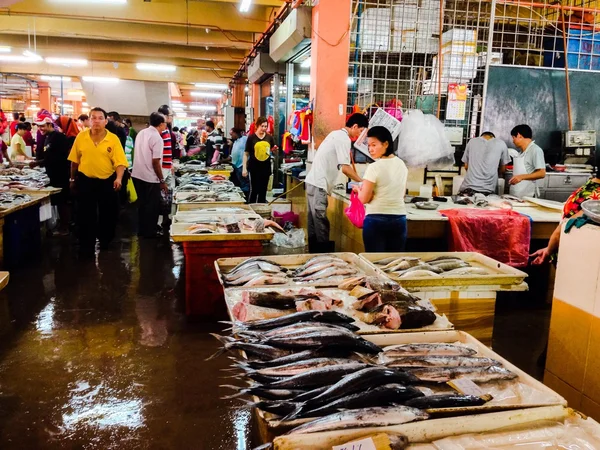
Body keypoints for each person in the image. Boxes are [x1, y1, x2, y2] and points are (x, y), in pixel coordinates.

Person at [68, 107, 128, 257]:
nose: (96, 121)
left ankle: (105, 241)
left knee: (108, 213)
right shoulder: (81, 137)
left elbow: (120, 162)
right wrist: (72, 178)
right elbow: (74, 161)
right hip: (85, 181)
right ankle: (86, 245)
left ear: (106, 121)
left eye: (100, 118)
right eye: (93, 118)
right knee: (84, 214)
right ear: (88, 121)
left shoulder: (113, 139)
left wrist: (119, 178)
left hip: (106, 181)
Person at [304, 113, 368, 252]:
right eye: (360, 131)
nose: (359, 135)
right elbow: (345, 168)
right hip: (318, 184)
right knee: (320, 223)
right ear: (355, 126)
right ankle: (323, 259)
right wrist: (363, 181)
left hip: (311, 183)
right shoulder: (343, 138)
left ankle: (313, 256)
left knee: (313, 223)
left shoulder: (336, 134)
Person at [530, 165, 600, 265]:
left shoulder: (587, 187)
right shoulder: (596, 198)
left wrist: (549, 249)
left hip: (566, 252)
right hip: (573, 259)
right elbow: (564, 226)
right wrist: (549, 249)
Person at [354, 126, 409, 252]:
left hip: (376, 220)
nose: (370, 149)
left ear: (386, 144)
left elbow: (363, 199)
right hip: (399, 219)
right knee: (394, 263)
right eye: (369, 146)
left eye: (374, 145)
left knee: (375, 263)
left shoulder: (374, 167)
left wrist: (358, 190)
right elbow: (402, 195)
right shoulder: (402, 165)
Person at [31, 116, 72, 235]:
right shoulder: (48, 137)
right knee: (58, 201)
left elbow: (58, 157)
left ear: (50, 125)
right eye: (38, 126)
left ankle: (65, 228)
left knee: (62, 201)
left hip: (61, 174)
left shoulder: (59, 137)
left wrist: (39, 162)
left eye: (42, 126)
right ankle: (59, 225)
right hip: (52, 174)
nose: (40, 129)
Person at [131, 112, 169, 239]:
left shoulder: (142, 133)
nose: (166, 125)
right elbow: (156, 161)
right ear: (161, 124)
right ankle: (150, 232)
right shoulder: (157, 138)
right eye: (165, 122)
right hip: (150, 177)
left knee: (141, 205)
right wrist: (162, 180)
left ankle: (141, 230)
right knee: (152, 207)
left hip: (137, 175)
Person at [243, 116, 277, 204]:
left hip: (266, 168)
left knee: (263, 191)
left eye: (266, 126)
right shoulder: (251, 138)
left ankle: (262, 211)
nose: (264, 128)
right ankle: (252, 211)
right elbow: (246, 154)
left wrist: (274, 150)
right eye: (262, 126)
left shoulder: (269, 138)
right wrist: (244, 168)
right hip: (254, 168)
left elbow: (273, 151)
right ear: (257, 126)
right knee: (254, 190)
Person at [509, 124, 546, 197]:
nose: (513, 141)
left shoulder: (536, 150)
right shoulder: (521, 153)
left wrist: (521, 177)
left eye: (513, 138)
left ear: (519, 135)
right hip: (517, 193)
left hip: (528, 195)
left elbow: (542, 173)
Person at [157, 105, 174, 231]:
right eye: (170, 115)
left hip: (167, 167)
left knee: (169, 193)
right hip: (161, 168)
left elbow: (167, 149)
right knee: (160, 194)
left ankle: (166, 218)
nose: (172, 117)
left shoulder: (167, 129)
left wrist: (171, 164)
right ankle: (158, 222)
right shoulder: (160, 130)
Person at [230, 128, 249, 199]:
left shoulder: (245, 139)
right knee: (241, 183)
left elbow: (248, 152)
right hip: (236, 166)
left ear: (235, 133)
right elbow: (233, 154)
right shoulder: (235, 142)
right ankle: (242, 198)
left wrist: (247, 164)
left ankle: (246, 199)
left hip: (242, 166)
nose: (231, 136)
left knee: (245, 184)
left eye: (232, 134)